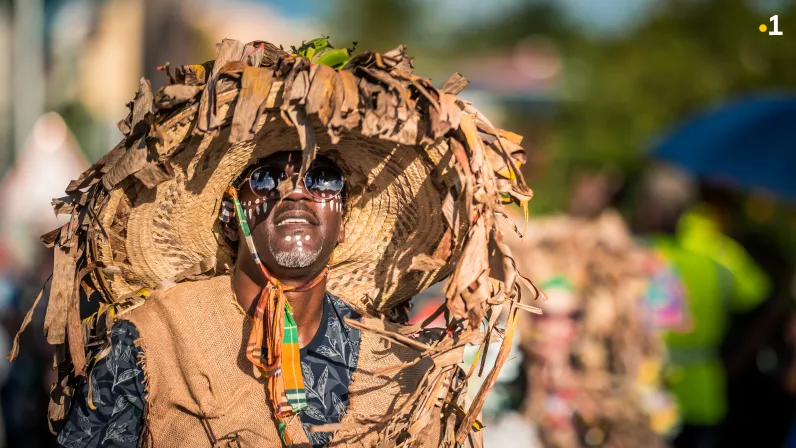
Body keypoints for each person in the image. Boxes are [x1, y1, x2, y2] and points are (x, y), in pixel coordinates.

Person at [8, 38, 534, 447]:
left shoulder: (398, 373)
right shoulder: (152, 345)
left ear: (343, 222)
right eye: (268, 179)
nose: (297, 192)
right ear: (233, 216)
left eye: (323, 179)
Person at [634, 164, 770, 448]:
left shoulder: (633, 252)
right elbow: (763, 300)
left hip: (641, 390)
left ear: (650, 208)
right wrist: (741, 355)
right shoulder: (718, 250)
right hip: (704, 392)